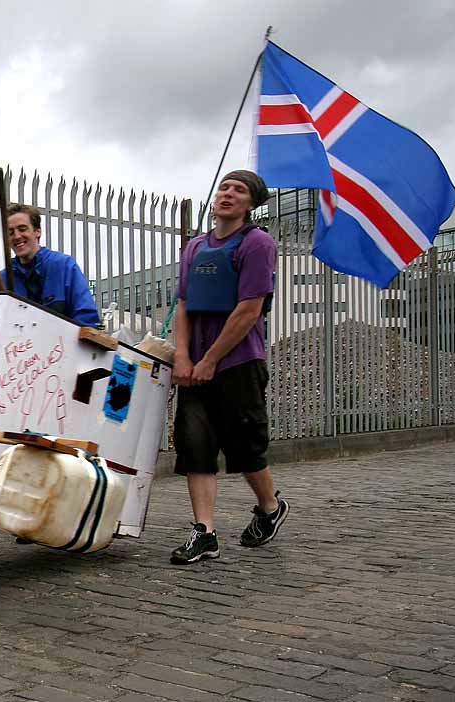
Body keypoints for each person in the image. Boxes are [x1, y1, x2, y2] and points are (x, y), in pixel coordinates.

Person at [170, 169, 290, 565]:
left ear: (251, 204)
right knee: (195, 444)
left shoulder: (257, 244)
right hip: (195, 364)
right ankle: (204, 532)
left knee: (245, 448)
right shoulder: (194, 248)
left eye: (238, 190)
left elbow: (248, 310)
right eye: (224, 187)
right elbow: (184, 305)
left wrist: (211, 360)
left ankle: (270, 507)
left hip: (238, 361)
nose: (228, 194)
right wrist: (184, 356)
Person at [2, 204, 100, 327]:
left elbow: (86, 319)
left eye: (22, 229)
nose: (16, 236)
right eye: (10, 232)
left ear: (37, 231)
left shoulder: (64, 266)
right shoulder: (4, 279)